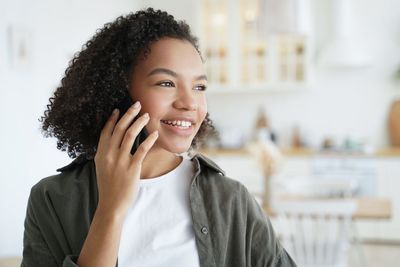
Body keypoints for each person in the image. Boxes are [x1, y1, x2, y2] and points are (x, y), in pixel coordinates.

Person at [21, 8, 296, 267]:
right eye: (166, 83)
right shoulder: (52, 199)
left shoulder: (230, 200)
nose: (190, 103)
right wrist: (111, 210)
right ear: (118, 91)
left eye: (199, 86)